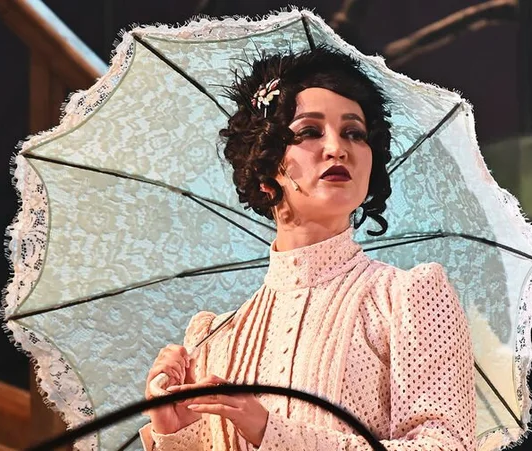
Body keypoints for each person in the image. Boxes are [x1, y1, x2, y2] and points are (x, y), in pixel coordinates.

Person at [140, 46, 476, 451]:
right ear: (266, 172)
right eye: (309, 132)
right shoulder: (212, 338)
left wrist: (271, 431)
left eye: (354, 133)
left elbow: (446, 446)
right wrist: (176, 433)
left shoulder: (406, 298)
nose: (337, 148)